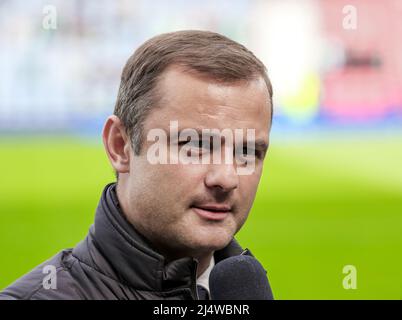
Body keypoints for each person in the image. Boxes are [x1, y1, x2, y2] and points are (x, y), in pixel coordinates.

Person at [0, 30, 273, 300]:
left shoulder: (244, 292)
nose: (227, 178)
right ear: (120, 146)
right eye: (195, 146)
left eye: (247, 151)